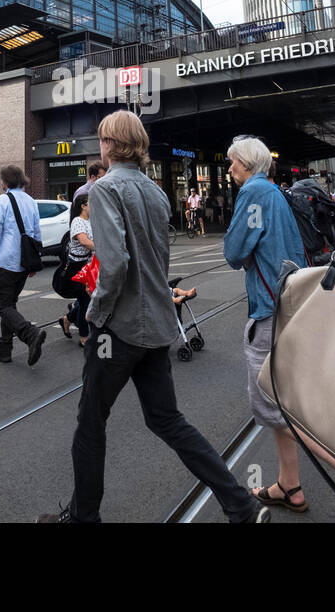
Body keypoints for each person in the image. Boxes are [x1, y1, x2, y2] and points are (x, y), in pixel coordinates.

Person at [42, 111, 268, 523]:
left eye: (101, 139)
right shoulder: (156, 192)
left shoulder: (105, 189)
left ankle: (82, 517)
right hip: (158, 327)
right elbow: (156, 259)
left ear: (110, 144)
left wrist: (95, 315)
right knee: (168, 420)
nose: (99, 146)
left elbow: (114, 264)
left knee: (90, 424)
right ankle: (241, 504)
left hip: (119, 330)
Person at [223, 135, 335, 515]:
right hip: (289, 303)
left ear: (246, 163)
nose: (228, 170)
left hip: (268, 310)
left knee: (275, 405)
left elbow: (234, 251)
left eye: (231, 163)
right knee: (283, 404)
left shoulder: (253, 194)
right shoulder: (274, 192)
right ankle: (289, 485)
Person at [0, 165, 46, 366]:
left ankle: (30, 334)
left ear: (5, 181)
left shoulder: (2, 200)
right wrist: (36, 260)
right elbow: (36, 232)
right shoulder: (31, 201)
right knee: (10, 304)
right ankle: (4, 349)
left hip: (6, 260)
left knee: (2, 305)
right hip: (24, 261)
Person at [58, 194, 93, 346]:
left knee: (86, 299)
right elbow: (84, 242)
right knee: (86, 300)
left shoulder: (90, 221)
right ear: (83, 206)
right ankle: (84, 337)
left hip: (86, 265)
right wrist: (106, 247)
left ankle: (68, 318)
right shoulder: (78, 221)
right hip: (75, 267)